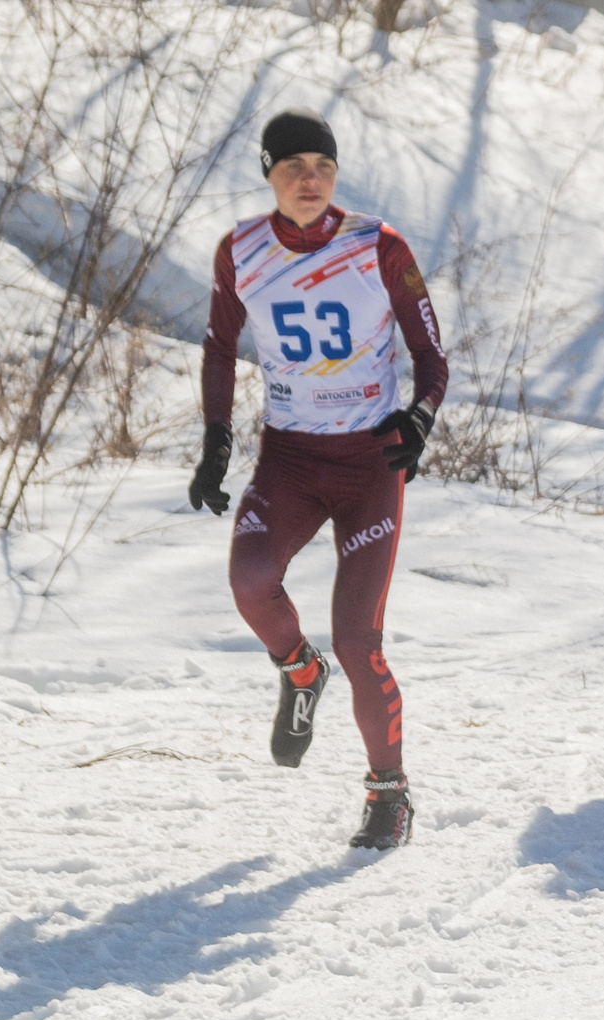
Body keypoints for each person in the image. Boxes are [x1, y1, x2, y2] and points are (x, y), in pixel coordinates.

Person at [190, 109, 448, 851]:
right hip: (292, 458)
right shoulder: (240, 250)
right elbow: (217, 348)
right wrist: (215, 438)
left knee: (358, 637)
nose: (311, 180)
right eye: (294, 166)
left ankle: (388, 793)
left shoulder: (378, 244)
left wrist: (419, 417)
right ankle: (301, 673)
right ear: (268, 174)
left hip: (370, 463)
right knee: (250, 579)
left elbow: (432, 356)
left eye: (323, 167)